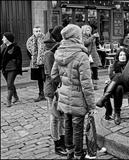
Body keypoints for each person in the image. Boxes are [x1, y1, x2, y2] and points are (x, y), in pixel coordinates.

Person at [51, 24, 96, 160]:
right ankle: (78, 154)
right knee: (77, 127)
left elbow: (53, 75)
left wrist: (65, 84)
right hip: (78, 97)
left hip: (64, 95)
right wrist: (92, 105)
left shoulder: (59, 52)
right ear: (77, 37)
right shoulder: (81, 56)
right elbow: (87, 84)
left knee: (68, 124)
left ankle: (70, 152)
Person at [43, 25, 67, 156]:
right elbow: (50, 74)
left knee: (62, 117)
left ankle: (63, 141)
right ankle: (57, 144)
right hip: (52, 90)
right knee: (54, 117)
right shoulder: (49, 52)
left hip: (60, 88)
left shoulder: (57, 49)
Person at [96, 48, 129, 125]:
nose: (122, 56)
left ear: (127, 56)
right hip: (119, 87)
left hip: (128, 86)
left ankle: (104, 98)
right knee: (118, 88)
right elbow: (112, 77)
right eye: (121, 55)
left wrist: (118, 77)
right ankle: (117, 113)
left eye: (124, 55)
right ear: (118, 56)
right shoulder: (114, 65)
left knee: (118, 76)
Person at [0, 32, 22, 107]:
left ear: (8, 39)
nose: (2, 39)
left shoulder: (16, 47)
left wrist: (17, 67)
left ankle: (8, 100)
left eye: (4, 38)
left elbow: (19, 59)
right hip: (4, 69)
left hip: (13, 69)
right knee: (11, 83)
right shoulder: (2, 46)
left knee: (9, 84)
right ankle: (16, 97)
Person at [26, 26, 46, 102]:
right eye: (36, 31)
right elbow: (28, 51)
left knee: (46, 78)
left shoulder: (45, 38)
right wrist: (32, 58)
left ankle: (49, 93)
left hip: (44, 62)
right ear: (33, 32)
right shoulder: (30, 41)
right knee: (39, 79)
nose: (38, 32)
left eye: (39, 31)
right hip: (35, 63)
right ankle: (41, 94)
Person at [82, 25, 102, 90]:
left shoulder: (91, 37)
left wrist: (97, 38)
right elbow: (85, 43)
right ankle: (89, 84)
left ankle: (95, 84)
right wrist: (93, 36)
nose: (89, 31)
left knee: (95, 69)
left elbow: (96, 44)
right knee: (88, 70)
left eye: (90, 30)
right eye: (87, 30)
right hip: (88, 55)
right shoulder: (83, 37)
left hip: (94, 55)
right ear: (84, 31)